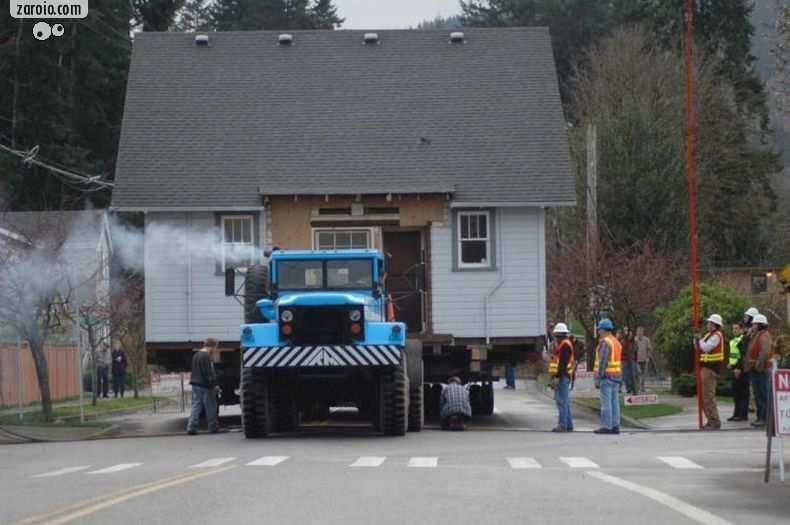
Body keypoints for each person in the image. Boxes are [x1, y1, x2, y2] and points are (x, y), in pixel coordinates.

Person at [695, 314, 725, 430]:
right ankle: (710, 419)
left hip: (711, 369)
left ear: (715, 325)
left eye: (709, 323)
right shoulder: (708, 335)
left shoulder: (717, 335)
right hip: (705, 368)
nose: (707, 325)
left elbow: (706, 347)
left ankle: (715, 421)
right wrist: (696, 339)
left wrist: (699, 340)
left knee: (708, 396)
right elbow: (697, 346)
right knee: (703, 396)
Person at [187, 338, 222, 435]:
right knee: (211, 407)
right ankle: (213, 427)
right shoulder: (206, 356)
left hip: (195, 384)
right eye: (215, 347)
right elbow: (208, 372)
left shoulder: (196, 355)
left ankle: (191, 427)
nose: (215, 350)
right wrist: (214, 385)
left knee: (196, 406)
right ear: (212, 346)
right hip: (205, 386)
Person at [593, 319, 622, 434]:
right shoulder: (616, 342)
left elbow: (603, 361)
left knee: (606, 403)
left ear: (604, 329)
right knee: (614, 403)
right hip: (616, 376)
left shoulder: (605, 342)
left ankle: (606, 426)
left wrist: (598, 378)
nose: (598, 331)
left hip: (606, 377)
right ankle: (615, 426)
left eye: (599, 329)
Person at [745, 314, 773, 428]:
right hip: (757, 369)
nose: (753, 325)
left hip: (760, 370)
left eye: (755, 324)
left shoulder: (764, 335)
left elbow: (765, 352)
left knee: (762, 394)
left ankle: (763, 418)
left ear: (761, 325)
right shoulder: (757, 335)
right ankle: (760, 417)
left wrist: (758, 366)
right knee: (758, 394)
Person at [549, 323, 575, 432]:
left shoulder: (564, 345)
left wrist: (557, 377)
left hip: (562, 377)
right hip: (565, 376)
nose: (555, 338)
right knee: (565, 401)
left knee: (561, 401)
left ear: (559, 335)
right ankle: (568, 424)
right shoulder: (566, 344)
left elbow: (562, 364)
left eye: (556, 335)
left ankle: (562, 425)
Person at [727, 322, 749, 422]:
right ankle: (736, 413)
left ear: (741, 330)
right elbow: (734, 355)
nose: (734, 330)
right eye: (733, 328)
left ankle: (743, 415)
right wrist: (730, 363)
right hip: (734, 368)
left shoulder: (742, 340)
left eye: (736, 328)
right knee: (736, 393)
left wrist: (739, 368)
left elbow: (743, 356)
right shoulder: (733, 341)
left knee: (742, 393)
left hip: (741, 369)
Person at [634, 327, 653, 393]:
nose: (639, 333)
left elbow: (649, 349)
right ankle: (638, 387)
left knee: (644, 375)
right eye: (638, 331)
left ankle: (642, 387)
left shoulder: (646, 339)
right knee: (638, 373)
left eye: (641, 331)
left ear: (643, 332)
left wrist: (648, 357)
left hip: (645, 359)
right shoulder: (634, 339)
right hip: (637, 360)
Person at [620, 329, 637, 394]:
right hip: (624, 360)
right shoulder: (623, 342)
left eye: (631, 335)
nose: (630, 336)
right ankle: (628, 387)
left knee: (632, 374)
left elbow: (635, 350)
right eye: (629, 335)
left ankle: (632, 387)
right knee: (625, 375)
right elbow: (622, 350)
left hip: (632, 360)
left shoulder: (633, 342)